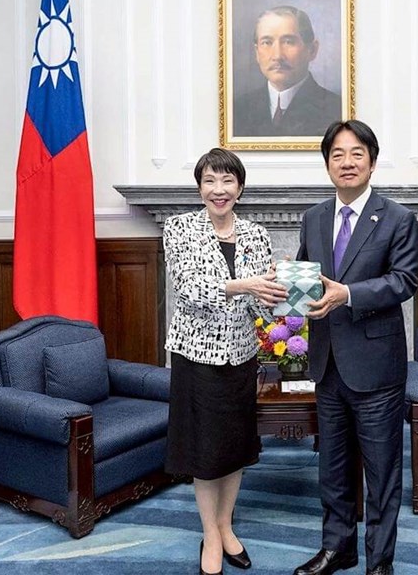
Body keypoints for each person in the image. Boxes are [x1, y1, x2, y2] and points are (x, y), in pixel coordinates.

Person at [293, 121, 418, 575]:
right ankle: (338, 548)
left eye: (356, 154)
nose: (347, 163)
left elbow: (404, 281)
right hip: (327, 364)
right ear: (327, 164)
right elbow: (308, 278)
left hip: (376, 367)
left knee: (381, 472)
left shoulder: (398, 218)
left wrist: (347, 294)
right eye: (337, 155)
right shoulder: (313, 217)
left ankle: (379, 562)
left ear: (372, 161)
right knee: (333, 467)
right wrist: (287, 293)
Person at [163, 148, 288, 575]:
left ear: (240, 187)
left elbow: (261, 304)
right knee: (205, 449)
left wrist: (280, 289)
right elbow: (189, 288)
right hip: (197, 355)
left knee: (234, 447)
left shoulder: (255, 234)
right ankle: (210, 535)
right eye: (210, 181)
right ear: (200, 187)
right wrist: (246, 284)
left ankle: (225, 524)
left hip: (241, 354)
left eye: (228, 180)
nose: (219, 190)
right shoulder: (179, 228)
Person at [233, 5, 342, 138]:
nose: (277, 56)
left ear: (312, 50)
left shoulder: (337, 109)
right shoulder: (237, 109)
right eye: (267, 42)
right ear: (257, 52)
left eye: (288, 42)